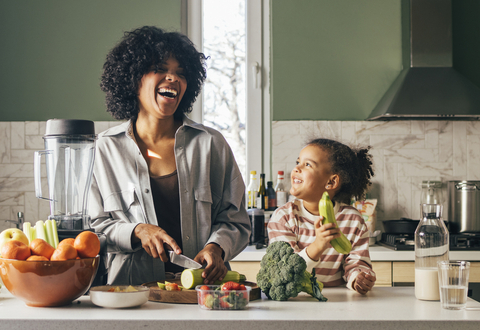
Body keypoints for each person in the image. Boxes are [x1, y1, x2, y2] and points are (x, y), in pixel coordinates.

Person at [89, 26, 251, 286]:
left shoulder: (211, 144)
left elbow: (236, 221)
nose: (173, 78)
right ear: (134, 78)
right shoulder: (103, 150)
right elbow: (92, 230)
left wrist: (216, 248)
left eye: (181, 73)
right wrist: (136, 231)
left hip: (203, 295)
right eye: (161, 69)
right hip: (132, 297)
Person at [267, 138, 376, 295]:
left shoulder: (353, 220)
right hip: (296, 301)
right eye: (298, 162)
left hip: (336, 302)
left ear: (331, 182)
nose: (297, 168)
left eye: (308, 165)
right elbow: (284, 272)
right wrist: (318, 245)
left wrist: (358, 278)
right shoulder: (283, 217)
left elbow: (356, 263)